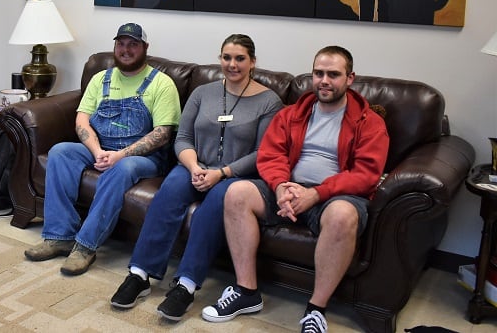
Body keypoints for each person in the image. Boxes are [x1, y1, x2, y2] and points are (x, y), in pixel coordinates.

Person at [201, 46, 389, 332]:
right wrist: (279, 187)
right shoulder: (292, 114)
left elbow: (366, 174)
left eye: (333, 75)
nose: (324, 81)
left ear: (350, 78)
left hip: (335, 197)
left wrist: (316, 193)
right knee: (236, 193)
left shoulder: (369, 122)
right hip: (287, 189)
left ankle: (316, 310)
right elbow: (270, 154)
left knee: (342, 216)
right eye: (318, 73)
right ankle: (246, 291)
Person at [110, 34, 283, 321]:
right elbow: (183, 138)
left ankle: (186, 285)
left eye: (240, 58)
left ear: (253, 62)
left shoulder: (269, 101)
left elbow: (262, 153)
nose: (232, 64)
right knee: (168, 193)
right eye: (226, 57)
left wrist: (221, 173)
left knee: (214, 205)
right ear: (220, 59)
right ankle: (139, 274)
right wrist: (193, 168)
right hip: (195, 166)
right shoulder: (203, 92)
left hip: (236, 176)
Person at [24, 22, 181, 276]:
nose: (126, 50)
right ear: (115, 46)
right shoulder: (101, 79)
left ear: (145, 48)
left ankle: (86, 245)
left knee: (122, 167)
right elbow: (82, 120)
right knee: (61, 152)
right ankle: (59, 235)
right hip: (100, 146)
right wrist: (97, 151)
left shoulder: (161, 84)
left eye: (133, 44)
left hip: (144, 157)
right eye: (121, 44)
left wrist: (119, 155)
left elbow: (162, 134)